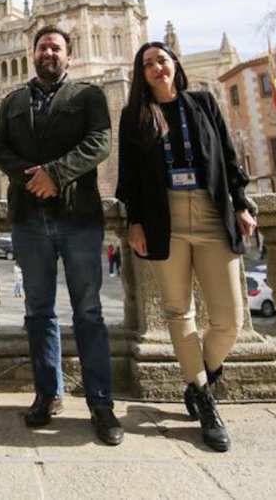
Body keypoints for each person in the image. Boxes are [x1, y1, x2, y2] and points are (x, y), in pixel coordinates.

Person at [115, 41, 257, 453]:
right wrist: (135, 221)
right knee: (179, 313)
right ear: (141, 75)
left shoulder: (204, 103)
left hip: (212, 213)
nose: (157, 67)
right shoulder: (135, 116)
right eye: (147, 64)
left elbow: (229, 158)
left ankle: (202, 379)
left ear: (175, 63)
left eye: (162, 60)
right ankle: (205, 399)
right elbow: (130, 177)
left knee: (229, 318)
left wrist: (242, 203)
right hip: (165, 219)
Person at [0, 25, 123, 446]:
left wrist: (56, 175)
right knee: (39, 311)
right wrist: (33, 180)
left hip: (79, 217)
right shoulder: (12, 101)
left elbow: (100, 143)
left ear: (69, 54)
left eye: (56, 47)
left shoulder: (88, 95)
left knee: (88, 311)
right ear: (33, 53)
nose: (49, 53)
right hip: (29, 219)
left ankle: (101, 403)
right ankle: (49, 394)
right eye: (43, 46)